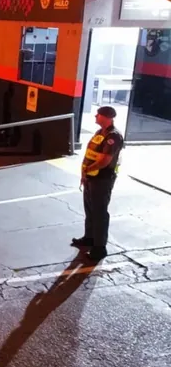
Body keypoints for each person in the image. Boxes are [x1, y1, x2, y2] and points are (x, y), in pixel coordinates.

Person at [73, 106, 124, 261]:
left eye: (99, 114)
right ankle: (89, 238)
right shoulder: (99, 133)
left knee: (99, 212)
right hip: (90, 178)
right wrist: (85, 174)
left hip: (102, 179)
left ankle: (99, 248)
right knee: (90, 209)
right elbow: (90, 154)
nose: (95, 116)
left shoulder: (113, 137)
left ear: (106, 117)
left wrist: (89, 169)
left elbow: (105, 161)